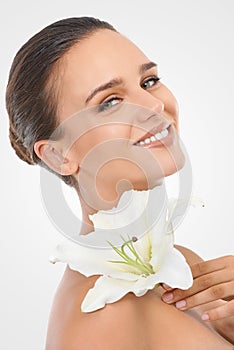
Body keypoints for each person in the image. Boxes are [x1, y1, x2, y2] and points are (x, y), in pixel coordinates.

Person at [6, 17, 234, 349]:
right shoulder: (102, 313)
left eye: (149, 81)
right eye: (109, 101)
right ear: (58, 155)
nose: (155, 105)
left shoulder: (180, 265)